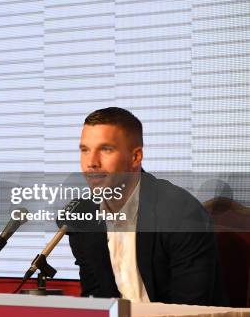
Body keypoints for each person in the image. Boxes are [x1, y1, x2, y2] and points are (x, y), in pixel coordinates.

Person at [68, 107, 228, 305]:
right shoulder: (85, 221)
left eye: (105, 149)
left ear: (135, 157)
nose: (91, 162)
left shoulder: (181, 213)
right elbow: (95, 302)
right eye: (85, 150)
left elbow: (189, 311)